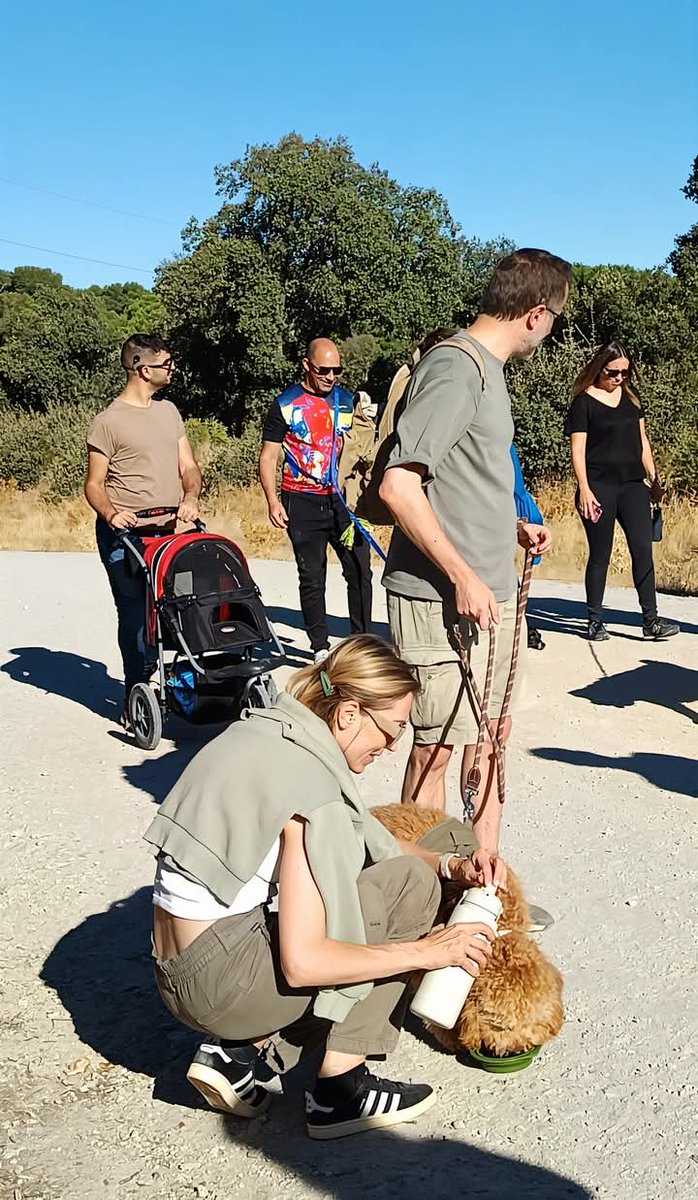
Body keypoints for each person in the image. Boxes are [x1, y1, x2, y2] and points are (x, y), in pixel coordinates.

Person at [144, 635, 502, 1140]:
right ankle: (341, 1090)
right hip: (220, 988)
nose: (392, 747)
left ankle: (241, 1056)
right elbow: (305, 962)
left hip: (173, 968)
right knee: (409, 891)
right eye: (393, 729)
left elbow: (368, 840)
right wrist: (423, 953)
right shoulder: (313, 793)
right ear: (350, 713)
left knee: (400, 877)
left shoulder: (270, 732)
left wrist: (449, 863)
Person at [379, 249, 570, 858]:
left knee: (490, 737)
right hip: (441, 598)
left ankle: (485, 887)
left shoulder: (488, 370)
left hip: (491, 591)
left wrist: (511, 524)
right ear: (536, 313)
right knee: (435, 751)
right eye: (555, 320)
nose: (551, 332)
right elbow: (398, 484)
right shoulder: (457, 367)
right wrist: (461, 572)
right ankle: (413, 893)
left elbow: (456, 480)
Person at [84, 334, 202, 724]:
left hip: (169, 532)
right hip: (126, 535)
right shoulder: (108, 422)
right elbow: (94, 484)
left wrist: (191, 495)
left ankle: (187, 682)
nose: (173, 369)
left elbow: (188, 466)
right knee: (135, 613)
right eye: (167, 363)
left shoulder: (169, 412)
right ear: (143, 368)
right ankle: (136, 688)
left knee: (181, 607)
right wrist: (111, 513)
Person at [259, 339, 372, 663]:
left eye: (337, 370)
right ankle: (320, 647)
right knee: (312, 574)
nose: (331, 376)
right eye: (324, 370)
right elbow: (268, 456)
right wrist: (272, 501)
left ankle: (362, 640)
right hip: (302, 499)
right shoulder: (285, 404)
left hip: (343, 500)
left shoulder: (348, 401)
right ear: (306, 365)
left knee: (360, 570)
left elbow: (362, 447)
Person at [565, 342, 678, 642]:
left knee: (643, 550)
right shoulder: (583, 403)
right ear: (599, 368)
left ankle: (651, 620)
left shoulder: (631, 398)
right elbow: (578, 450)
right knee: (600, 553)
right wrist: (584, 489)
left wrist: (655, 480)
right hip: (599, 486)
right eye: (613, 372)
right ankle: (594, 620)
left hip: (633, 486)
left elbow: (642, 441)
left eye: (625, 372)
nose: (619, 378)